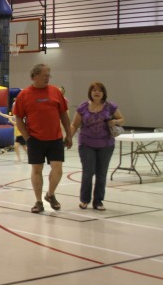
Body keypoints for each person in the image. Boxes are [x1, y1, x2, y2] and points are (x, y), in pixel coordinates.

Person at [13, 64, 72, 214]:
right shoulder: (24, 95)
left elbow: (64, 115)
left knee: (57, 169)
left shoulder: (55, 92)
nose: (47, 78)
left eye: (49, 75)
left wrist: (69, 134)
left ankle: (50, 195)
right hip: (36, 139)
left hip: (55, 138)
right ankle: (38, 201)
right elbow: (19, 118)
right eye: (44, 75)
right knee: (36, 170)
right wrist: (27, 137)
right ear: (35, 76)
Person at [71, 82, 124, 211]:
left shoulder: (110, 106)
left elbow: (122, 119)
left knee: (101, 174)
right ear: (90, 92)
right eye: (94, 90)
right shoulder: (83, 107)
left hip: (106, 145)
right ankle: (84, 200)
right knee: (88, 172)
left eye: (99, 90)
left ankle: (98, 201)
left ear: (103, 93)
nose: (96, 92)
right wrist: (68, 138)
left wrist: (115, 121)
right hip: (86, 144)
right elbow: (75, 124)